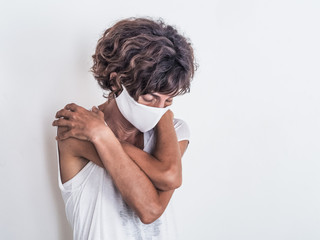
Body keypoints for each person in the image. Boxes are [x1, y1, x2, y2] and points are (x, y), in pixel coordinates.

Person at [52, 17, 196, 240]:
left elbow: (169, 177)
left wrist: (102, 135)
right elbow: (148, 208)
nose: (158, 109)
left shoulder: (176, 129)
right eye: (150, 98)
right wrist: (97, 132)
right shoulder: (77, 131)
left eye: (168, 101)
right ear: (116, 82)